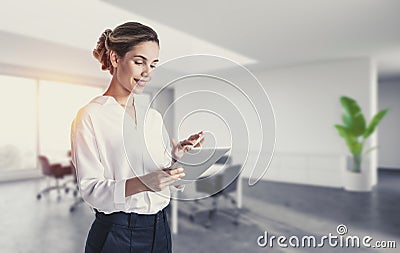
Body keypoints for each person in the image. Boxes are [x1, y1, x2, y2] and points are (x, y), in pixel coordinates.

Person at [70, 21, 203, 253]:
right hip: (117, 233)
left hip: (160, 229)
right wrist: (142, 184)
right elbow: (91, 190)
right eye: (139, 62)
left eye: (153, 64)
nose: (147, 73)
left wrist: (176, 159)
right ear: (115, 59)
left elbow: (158, 173)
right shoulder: (90, 116)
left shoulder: (152, 116)